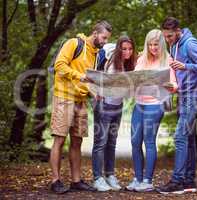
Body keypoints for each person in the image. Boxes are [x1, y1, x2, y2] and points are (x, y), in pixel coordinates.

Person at [49, 20, 112, 194]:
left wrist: (94, 93)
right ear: (95, 33)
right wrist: (80, 76)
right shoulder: (74, 43)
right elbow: (59, 66)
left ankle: (76, 181)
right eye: (104, 37)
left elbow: (88, 80)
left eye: (107, 39)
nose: (105, 41)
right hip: (63, 97)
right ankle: (55, 181)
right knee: (59, 139)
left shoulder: (96, 54)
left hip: (80, 100)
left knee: (77, 141)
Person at [157, 17, 197, 194]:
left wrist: (185, 66)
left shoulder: (189, 43)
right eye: (165, 36)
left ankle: (177, 181)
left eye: (170, 36)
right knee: (187, 139)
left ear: (178, 31)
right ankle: (189, 181)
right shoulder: (175, 45)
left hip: (193, 95)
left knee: (180, 137)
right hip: (184, 94)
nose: (168, 39)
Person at [126, 29, 177, 192]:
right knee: (135, 142)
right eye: (150, 45)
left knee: (149, 141)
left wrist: (171, 86)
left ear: (161, 44)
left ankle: (147, 181)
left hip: (155, 105)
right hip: (139, 104)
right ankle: (138, 178)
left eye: (156, 44)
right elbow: (133, 79)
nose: (153, 48)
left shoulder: (167, 60)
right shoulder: (141, 59)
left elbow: (175, 84)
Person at [92, 36, 137, 191]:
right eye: (124, 49)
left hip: (117, 107)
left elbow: (128, 93)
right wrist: (98, 91)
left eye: (130, 49)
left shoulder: (130, 65)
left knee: (111, 143)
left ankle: (110, 175)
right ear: (119, 49)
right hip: (104, 106)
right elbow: (97, 79)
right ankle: (97, 178)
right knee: (100, 143)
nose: (127, 52)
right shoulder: (111, 62)